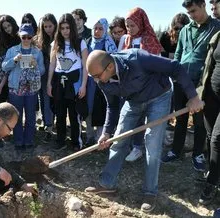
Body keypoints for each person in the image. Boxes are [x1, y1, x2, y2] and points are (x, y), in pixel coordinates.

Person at [84, 49, 204, 213]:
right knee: (118, 140)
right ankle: (107, 184)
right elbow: (112, 106)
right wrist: (106, 132)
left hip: (159, 97)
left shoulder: (138, 59)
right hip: (133, 101)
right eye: (93, 77)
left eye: (97, 76)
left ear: (110, 67)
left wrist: (193, 96)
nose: (96, 80)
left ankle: (149, 192)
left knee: (152, 146)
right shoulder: (102, 81)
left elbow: (175, 67)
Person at [162, 0, 220, 173]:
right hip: (181, 80)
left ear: (203, 5)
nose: (192, 15)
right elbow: (179, 52)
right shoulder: (186, 29)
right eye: (189, 13)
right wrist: (175, 72)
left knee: (200, 121)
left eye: (194, 11)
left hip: (202, 83)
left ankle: (198, 154)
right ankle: (176, 150)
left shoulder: (216, 27)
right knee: (180, 117)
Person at [118, 7, 163, 162]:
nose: (129, 29)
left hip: (147, 85)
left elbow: (157, 62)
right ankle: (128, 145)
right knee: (131, 117)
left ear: (141, 23)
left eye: (132, 25)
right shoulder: (126, 40)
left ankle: (139, 148)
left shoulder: (149, 39)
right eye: (127, 25)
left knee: (144, 118)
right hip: (131, 85)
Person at [47, 13, 88, 151]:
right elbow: (52, 64)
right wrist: (49, 83)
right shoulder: (55, 43)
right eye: (62, 28)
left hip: (75, 82)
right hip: (59, 81)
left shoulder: (80, 42)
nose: (65, 31)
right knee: (60, 113)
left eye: (68, 28)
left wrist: (83, 85)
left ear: (72, 28)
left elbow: (85, 65)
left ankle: (76, 141)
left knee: (74, 114)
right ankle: (61, 140)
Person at [2, 24, 45, 151]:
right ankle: (18, 141)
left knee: (31, 115)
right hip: (16, 88)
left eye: (29, 37)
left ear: (32, 37)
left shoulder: (37, 52)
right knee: (17, 116)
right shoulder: (12, 50)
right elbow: (4, 67)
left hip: (31, 88)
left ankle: (29, 140)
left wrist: (36, 65)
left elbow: (42, 70)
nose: (26, 39)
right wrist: (14, 60)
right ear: (19, 36)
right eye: (23, 37)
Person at [84, 18, 116, 146]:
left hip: (103, 81)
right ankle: (89, 135)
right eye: (95, 28)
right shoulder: (88, 42)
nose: (97, 31)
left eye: (100, 29)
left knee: (102, 107)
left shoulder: (109, 44)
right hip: (89, 82)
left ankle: (100, 137)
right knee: (89, 107)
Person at [197, 31, 220, 205]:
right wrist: (201, 93)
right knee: (210, 135)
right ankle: (213, 172)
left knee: (217, 139)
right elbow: (209, 66)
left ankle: (212, 182)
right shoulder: (218, 36)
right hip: (211, 96)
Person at [36, 13, 57, 143]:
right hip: (44, 76)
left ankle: (55, 124)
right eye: (45, 26)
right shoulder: (39, 41)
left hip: (57, 74)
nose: (48, 29)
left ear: (55, 25)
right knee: (45, 101)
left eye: (50, 26)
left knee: (56, 101)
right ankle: (48, 126)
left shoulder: (59, 39)